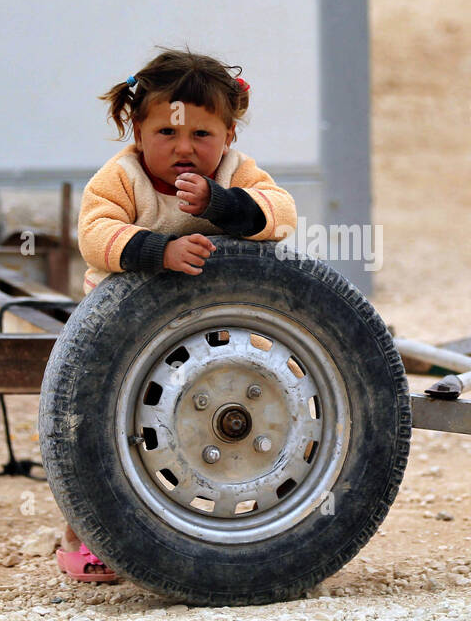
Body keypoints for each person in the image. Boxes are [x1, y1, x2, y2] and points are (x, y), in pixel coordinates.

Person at [55, 47, 297, 582]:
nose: (184, 149)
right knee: (88, 428)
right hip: (123, 336)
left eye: (202, 136)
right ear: (136, 132)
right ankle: (85, 531)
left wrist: (223, 204)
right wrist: (157, 252)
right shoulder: (122, 178)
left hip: (215, 330)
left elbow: (282, 215)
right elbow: (94, 235)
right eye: (167, 133)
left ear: (229, 136)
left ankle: (264, 511)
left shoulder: (236, 173)